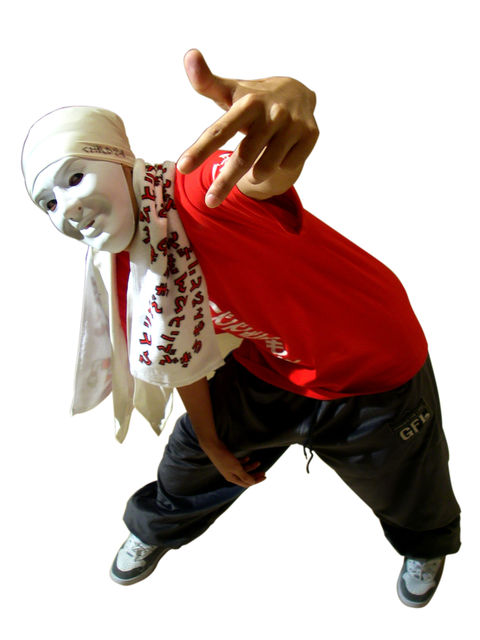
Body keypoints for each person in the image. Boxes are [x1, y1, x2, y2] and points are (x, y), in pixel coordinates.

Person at [21, 49, 460, 608]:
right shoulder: (134, 258)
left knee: (408, 480)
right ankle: (156, 530)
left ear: (121, 162)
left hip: (372, 367)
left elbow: (253, 172)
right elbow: (178, 353)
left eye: (74, 178)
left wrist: (284, 109)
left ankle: (425, 545)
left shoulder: (200, 195)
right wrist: (211, 442)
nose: (66, 209)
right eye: (48, 203)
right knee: (191, 462)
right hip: (269, 365)